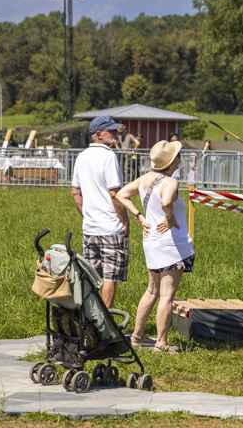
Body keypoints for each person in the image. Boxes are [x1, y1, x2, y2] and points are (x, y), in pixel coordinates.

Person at [115, 140, 195, 354]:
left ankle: (137, 335)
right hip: (171, 244)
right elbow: (167, 201)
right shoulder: (170, 182)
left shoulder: (145, 179)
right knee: (167, 294)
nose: (180, 159)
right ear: (172, 161)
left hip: (151, 240)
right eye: (178, 156)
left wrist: (140, 217)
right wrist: (169, 217)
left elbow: (121, 194)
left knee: (152, 290)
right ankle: (161, 343)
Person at [70, 115, 131, 308]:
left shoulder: (81, 157)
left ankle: (89, 321)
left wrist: (87, 214)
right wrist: (126, 222)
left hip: (90, 228)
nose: (115, 134)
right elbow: (115, 194)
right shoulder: (108, 156)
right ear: (99, 135)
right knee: (109, 277)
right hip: (111, 228)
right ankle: (104, 326)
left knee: (91, 278)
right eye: (111, 131)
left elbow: (75, 193)